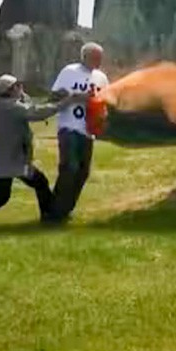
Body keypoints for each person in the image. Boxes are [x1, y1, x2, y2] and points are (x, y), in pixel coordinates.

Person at [0, 75, 84, 228]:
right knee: (14, 192)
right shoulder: (12, 107)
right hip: (11, 159)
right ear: (11, 90)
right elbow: (37, 112)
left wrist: (56, 98)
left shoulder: (10, 104)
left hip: (10, 157)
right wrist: (67, 102)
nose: (22, 87)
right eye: (18, 85)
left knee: (20, 189)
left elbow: (33, 105)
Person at [46, 42, 109, 224]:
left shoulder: (101, 77)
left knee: (83, 172)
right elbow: (54, 97)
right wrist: (76, 97)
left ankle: (65, 209)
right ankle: (54, 211)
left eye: (100, 58)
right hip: (69, 127)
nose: (99, 61)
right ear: (85, 57)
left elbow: (105, 102)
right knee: (69, 167)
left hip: (88, 131)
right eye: (95, 57)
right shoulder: (69, 71)